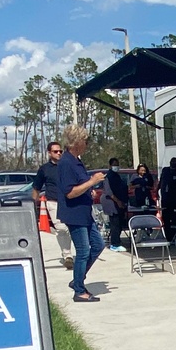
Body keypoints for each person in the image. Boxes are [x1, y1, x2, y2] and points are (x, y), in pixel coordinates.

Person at [57, 124, 106, 302]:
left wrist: (88, 190)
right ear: (76, 142)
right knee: (83, 250)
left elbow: (79, 185)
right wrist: (92, 181)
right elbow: (69, 192)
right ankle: (79, 290)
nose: (87, 144)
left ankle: (78, 278)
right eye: (85, 141)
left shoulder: (76, 160)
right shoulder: (66, 163)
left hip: (85, 213)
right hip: (74, 214)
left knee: (98, 244)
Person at [32, 141, 74, 268]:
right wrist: (33, 205)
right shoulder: (44, 169)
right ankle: (67, 255)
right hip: (53, 202)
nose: (59, 153)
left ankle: (79, 251)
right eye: (55, 151)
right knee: (61, 228)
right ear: (49, 153)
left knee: (72, 229)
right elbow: (36, 188)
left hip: (69, 202)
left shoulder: (67, 166)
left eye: (60, 151)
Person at [103, 157, 129, 252]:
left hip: (120, 203)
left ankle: (117, 241)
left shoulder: (117, 176)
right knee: (115, 224)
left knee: (119, 223)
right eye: (114, 164)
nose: (116, 166)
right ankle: (114, 244)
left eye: (117, 164)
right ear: (110, 166)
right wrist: (118, 201)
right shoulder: (108, 177)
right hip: (112, 204)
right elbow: (109, 192)